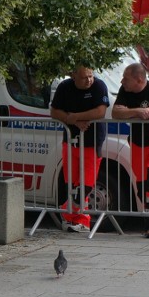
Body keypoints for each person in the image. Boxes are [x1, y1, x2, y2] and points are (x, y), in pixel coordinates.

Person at [112, 63, 149, 238]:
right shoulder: (125, 90)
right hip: (138, 142)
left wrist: (129, 112)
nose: (122, 81)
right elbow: (115, 113)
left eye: (126, 78)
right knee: (142, 183)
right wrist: (139, 111)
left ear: (139, 79)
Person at [50, 66, 109, 232]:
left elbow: (100, 111)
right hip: (70, 141)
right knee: (72, 182)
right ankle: (76, 220)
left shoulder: (99, 86)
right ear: (73, 75)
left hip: (92, 142)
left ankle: (68, 210)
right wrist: (74, 121)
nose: (89, 80)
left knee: (86, 184)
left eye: (91, 76)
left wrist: (76, 116)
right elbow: (54, 111)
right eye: (85, 77)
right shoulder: (64, 87)